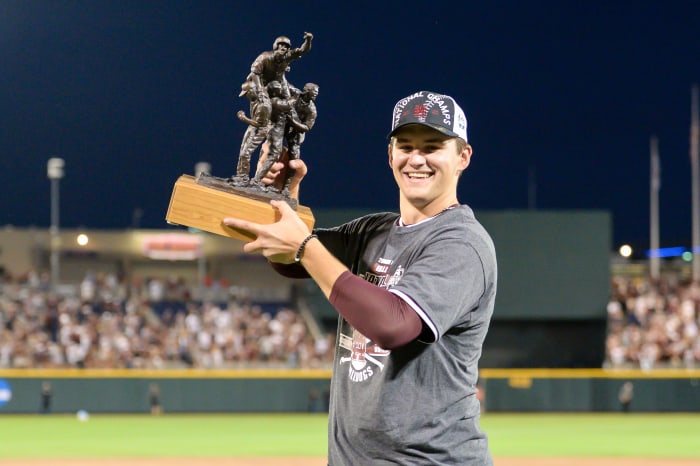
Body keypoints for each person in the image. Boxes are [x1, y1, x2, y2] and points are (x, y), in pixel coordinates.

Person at [224, 90, 497, 465]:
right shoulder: (373, 230)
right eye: (405, 146)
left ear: (462, 156)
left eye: (432, 147)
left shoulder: (462, 242)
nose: (416, 158)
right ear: (390, 155)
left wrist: (305, 244)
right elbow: (289, 261)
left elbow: (394, 325)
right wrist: (284, 203)